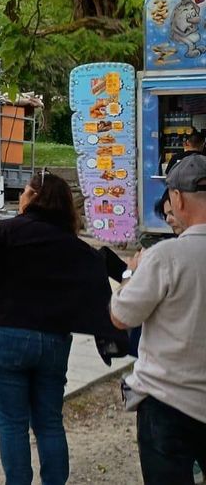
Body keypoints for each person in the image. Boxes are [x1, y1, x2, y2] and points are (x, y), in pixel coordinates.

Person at [0, 171, 121, 485]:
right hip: (53, 339)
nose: (20, 197)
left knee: (12, 425)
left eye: (23, 191)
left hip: (3, 334)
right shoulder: (71, 243)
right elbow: (99, 268)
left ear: (34, 196)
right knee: (49, 422)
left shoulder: (6, 231)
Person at [111, 155, 206, 484]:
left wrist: (130, 274)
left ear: (177, 198)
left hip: (166, 403)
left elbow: (121, 316)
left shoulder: (165, 257)